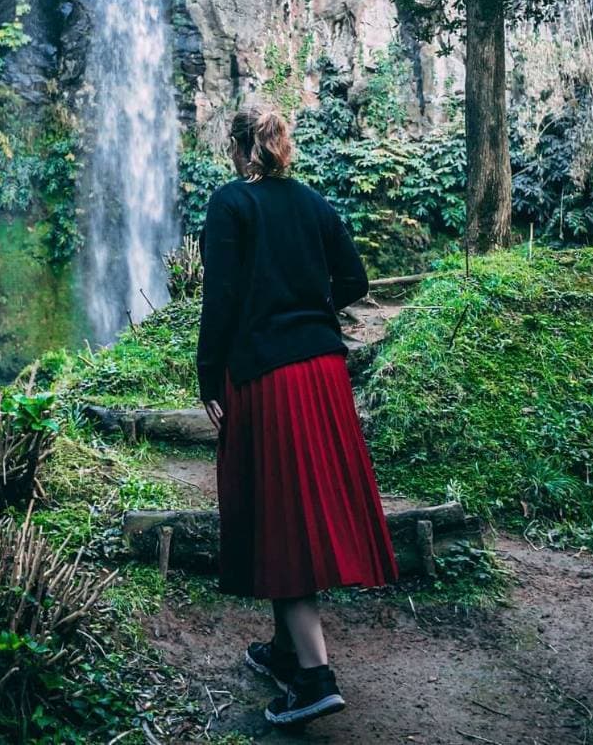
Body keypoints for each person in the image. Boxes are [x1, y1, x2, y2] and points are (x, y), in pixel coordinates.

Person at [196, 105, 399, 727]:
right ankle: (285, 648)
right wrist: (310, 312)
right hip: (323, 371)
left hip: (268, 376)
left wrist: (209, 374)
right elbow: (355, 278)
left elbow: (222, 298)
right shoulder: (312, 203)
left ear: (239, 149)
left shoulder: (231, 204)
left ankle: (314, 676)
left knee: (279, 510)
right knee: (299, 501)